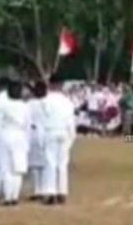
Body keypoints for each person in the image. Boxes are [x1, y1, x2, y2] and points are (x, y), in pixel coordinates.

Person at [38, 74, 77, 205]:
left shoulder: (45, 101)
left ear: (50, 84)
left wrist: (40, 139)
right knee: (62, 164)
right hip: (64, 132)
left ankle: (50, 192)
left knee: (50, 163)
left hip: (50, 131)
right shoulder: (68, 101)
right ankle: (62, 191)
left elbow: (41, 122)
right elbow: (71, 122)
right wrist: (72, 137)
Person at [0, 80, 30, 206]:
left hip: (5, 135)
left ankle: (7, 196)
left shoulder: (3, 106)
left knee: (6, 168)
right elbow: (27, 126)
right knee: (17, 168)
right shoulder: (25, 107)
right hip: (20, 136)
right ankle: (14, 196)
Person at [27, 81, 48, 201]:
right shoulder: (47, 103)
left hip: (34, 132)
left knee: (36, 164)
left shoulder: (30, 104)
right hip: (42, 132)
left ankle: (38, 189)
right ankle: (41, 189)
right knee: (39, 163)